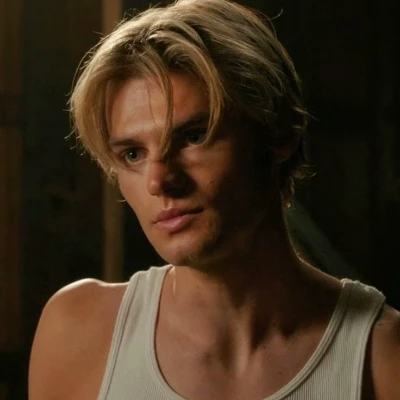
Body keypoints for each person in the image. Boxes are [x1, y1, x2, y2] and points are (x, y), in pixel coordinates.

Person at [28, 0, 400, 399]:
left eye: (193, 136)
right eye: (133, 154)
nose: (159, 180)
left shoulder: (382, 356)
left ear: (281, 134)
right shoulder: (78, 334)